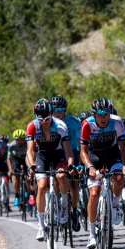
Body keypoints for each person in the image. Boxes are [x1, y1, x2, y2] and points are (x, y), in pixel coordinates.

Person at [79, 98, 125, 249]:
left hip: (112, 153)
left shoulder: (117, 121)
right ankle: (92, 235)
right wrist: (89, 167)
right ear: (94, 114)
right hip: (94, 156)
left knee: (119, 178)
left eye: (106, 114)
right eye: (100, 115)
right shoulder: (87, 124)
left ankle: (114, 205)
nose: (103, 118)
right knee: (94, 194)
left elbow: (123, 147)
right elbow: (83, 151)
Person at [26, 99, 75, 241]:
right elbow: (30, 151)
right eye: (41, 119)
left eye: (47, 118)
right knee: (41, 186)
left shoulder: (60, 125)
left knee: (61, 177)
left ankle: (65, 204)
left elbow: (68, 151)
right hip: (42, 156)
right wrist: (32, 166)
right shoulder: (32, 126)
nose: (44, 122)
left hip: (58, 154)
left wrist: (70, 165)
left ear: (51, 114)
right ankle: (41, 227)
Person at [50, 95, 82, 230]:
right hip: (56, 152)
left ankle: (74, 211)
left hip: (72, 152)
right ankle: (58, 207)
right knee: (57, 180)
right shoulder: (48, 122)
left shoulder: (74, 121)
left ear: (65, 110)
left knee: (74, 185)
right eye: (55, 110)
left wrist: (80, 162)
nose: (57, 113)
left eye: (60, 110)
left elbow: (81, 143)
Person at [7, 130, 29, 207]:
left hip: (26, 159)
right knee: (16, 177)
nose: (19, 141)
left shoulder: (28, 144)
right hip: (16, 159)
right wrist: (10, 169)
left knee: (28, 176)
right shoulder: (11, 146)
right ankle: (16, 195)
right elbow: (9, 158)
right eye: (17, 139)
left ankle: (30, 194)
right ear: (15, 139)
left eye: (22, 139)